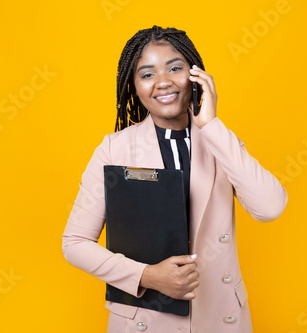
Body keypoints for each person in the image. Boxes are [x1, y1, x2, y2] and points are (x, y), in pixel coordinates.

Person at [62, 25, 288, 333]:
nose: (163, 82)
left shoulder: (220, 141)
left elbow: (270, 207)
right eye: (147, 74)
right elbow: (74, 243)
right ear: (135, 86)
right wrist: (147, 275)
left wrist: (210, 124)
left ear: (196, 76)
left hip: (219, 315)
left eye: (175, 68)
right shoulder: (115, 148)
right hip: (146, 317)